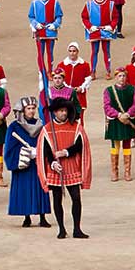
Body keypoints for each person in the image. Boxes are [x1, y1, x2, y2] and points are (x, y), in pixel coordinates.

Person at [36, 98, 92, 239]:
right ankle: (61, 229)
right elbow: (45, 150)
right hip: (56, 168)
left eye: (65, 111)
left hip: (71, 166)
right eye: (61, 111)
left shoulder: (76, 127)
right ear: (55, 112)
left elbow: (80, 145)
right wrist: (53, 163)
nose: (64, 113)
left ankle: (77, 229)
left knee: (76, 198)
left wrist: (66, 152)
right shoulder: (47, 129)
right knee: (57, 199)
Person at [4, 96, 51, 227]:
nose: (31, 111)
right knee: (24, 189)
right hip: (23, 164)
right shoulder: (14, 127)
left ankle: (42, 216)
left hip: (37, 163)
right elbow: (10, 147)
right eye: (28, 108)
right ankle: (27, 216)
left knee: (40, 189)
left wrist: (39, 151)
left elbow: (46, 143)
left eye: (33, 108)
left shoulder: (40, 125)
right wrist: (25, 153)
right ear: (22, 110)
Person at [103, 67, 135, 182]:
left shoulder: (133, 89)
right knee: (115, 146)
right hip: (115, 121)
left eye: (123, 76)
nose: (122, 78)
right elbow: (107, 106)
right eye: (119, 76)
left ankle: (127, 172)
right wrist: (118, 114)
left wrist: (128, 114)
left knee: (127, 145)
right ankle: (115, 171)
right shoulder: (109, 90)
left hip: (127, 120)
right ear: (116, 77)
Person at [81, 0, 118, 80]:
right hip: (94, 31)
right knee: (94, 51)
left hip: (106, 30)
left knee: (106, 51)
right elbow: (84, 17)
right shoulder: (88, 5)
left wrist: (111, 26)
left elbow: (115, 17)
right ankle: (92, 71)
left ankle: (108, 71)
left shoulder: (110, 4)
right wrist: (89, 27)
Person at [28, 0, 63, 75]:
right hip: (39, 32)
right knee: (40, 53)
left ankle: (50, 71)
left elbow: (59, 16)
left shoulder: (55, 2)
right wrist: (35, 24)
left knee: (50, 52)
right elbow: (31, 16)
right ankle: (42, 71)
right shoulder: (34, 3)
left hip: (50, 31)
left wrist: (55, 25)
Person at [56, 42, 92, 123]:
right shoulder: (62, 65)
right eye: (70, 51)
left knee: (79, 118)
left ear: (77, 52)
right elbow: (59, 79)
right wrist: (67, 88)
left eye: (74, 51)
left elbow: (88, 79)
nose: (72, 53)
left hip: (79, 95)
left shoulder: (85, 65)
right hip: (66, 94)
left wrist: (81, 88)